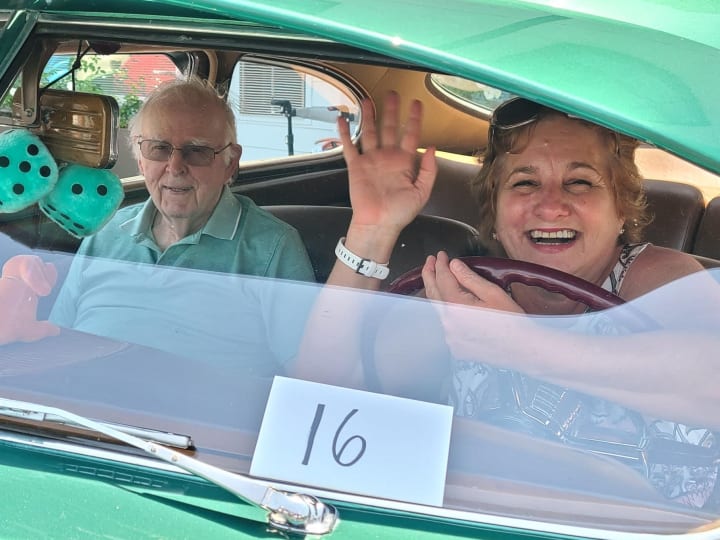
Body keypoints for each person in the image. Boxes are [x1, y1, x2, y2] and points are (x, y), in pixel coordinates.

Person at [294, 92, 720, 508]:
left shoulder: (662, 279)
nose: (551, 205)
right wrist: (372, 230)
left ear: (621, 209)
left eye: (579, 182)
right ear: (494, 214)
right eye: (525, 182)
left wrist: (520, 345)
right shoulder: (461, 296)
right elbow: (323, 401)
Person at [2, 77, 315, 375]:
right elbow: (60, 342)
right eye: (159, 149)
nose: (175, 167)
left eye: (197, 151)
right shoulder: (106, 232)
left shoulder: (272, 246)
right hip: (81, 418)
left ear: (230, 162)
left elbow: (310, 375)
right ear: (140, 159)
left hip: (194, 425)